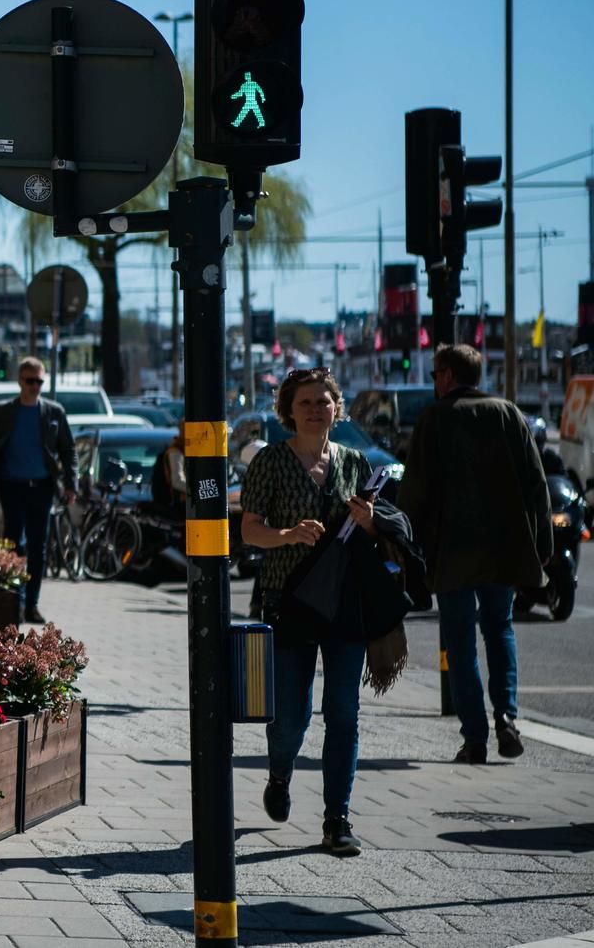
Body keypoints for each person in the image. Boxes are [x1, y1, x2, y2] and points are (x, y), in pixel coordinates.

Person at [240, 367, 377, 856]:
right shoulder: (271, 463)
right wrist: (288, 535)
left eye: (324, 402)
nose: (316, 410)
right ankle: (280, 773)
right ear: (288, 411)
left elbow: (372, 536)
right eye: (305, 403)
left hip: (344, 604)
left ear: (337, 409)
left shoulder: (355, 462)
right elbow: (248, 531)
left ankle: (337, 819)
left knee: (343, 713)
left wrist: (369, 522)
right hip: (287, 601)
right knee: (292, 716)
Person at [398, 344, 551, 765]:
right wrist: (542, 549)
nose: (433, 382)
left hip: (453, 553)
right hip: (502, 549)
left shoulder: (436, 419)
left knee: (461, 643)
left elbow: (415, 493)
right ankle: (506, 717)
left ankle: (475, 738)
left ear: (447, 375)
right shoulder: (508, 414)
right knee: (499, 630)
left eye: (434, 374)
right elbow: (536, 484)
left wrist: (405, 548)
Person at [0, 357, 77, 624]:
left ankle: (32, 605)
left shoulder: (54, 412)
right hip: (12, 485)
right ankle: (14, 602)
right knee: (14, 543)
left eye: (39, 381)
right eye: (30, 381)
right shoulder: (4, 410)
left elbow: (68, 449)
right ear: (20, 381)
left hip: (42, 486)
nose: (35, 386)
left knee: (39, 547)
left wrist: (71, 484)